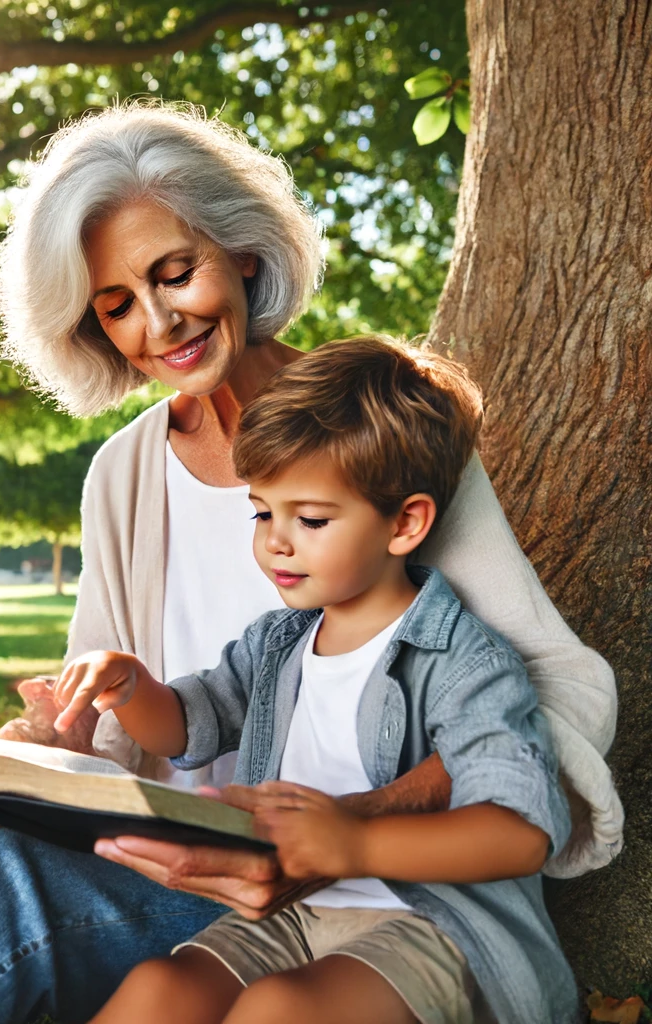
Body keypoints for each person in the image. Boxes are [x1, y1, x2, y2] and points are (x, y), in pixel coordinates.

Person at [0, 104, 619, 1024]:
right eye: (116, 305)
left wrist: (353, 819)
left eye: (173, 271)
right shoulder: (122, 475)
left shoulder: (374, 431)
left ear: (238, 248)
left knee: (0, 882)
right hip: (161, 849)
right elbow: (117, 737)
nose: (158, 324)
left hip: (316, 897)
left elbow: (557, 685)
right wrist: (39, 749)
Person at [53, 336, 576, 1024]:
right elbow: (187, 723)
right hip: (290, 915)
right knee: (160, 992)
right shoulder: (278, 645)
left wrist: (357, 844)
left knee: (278, 1009)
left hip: (429, 923)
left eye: (312, 519)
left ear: (406, 523)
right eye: (263, 511)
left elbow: (522, 832)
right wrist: (131, 687)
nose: (276, 540)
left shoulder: (464, 661)